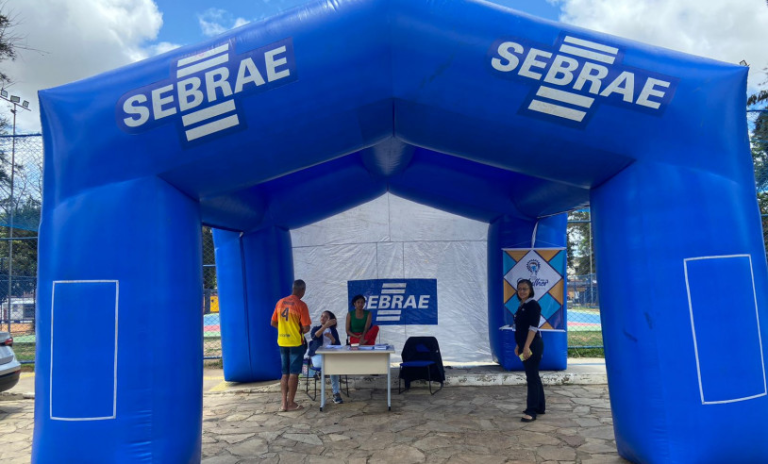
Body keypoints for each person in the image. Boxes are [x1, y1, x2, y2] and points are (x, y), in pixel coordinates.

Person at [271, 279, 311, 412]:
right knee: (293, 374)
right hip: (295, 343)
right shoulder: (301, 305)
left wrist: (284, 330)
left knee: (284, 373)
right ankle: (291, 403)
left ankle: (283, 404)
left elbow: (273, 323)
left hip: (282, 341)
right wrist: (295, 329)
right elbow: (306, 328)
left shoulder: (280, 302)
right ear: (302, 290)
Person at [514, 278, 545, 422]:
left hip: (532, 346)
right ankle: (540, 406)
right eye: (519, 288)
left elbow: (533, 328)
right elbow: (521, 329)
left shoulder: (533, 305)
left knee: (531, 378)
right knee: (534, 375)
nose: (522, 291)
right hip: (524, 345)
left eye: (525, 289)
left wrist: (526, 347)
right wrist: (518, 345)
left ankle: (531, 411)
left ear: (530, 290)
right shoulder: (521, 306)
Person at [308, 310, 344, 404]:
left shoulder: (333, 330)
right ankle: (334, 392)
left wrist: (332, 338)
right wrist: (325, 326)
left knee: (332, 366)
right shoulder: (316, 328)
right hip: (318, 356)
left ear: (330, 320)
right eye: (322, 316)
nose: (322, 318)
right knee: (332, 366)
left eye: (326, 317)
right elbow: (315, 337)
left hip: (330, 356)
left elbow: (337, 345)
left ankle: (336, 393)